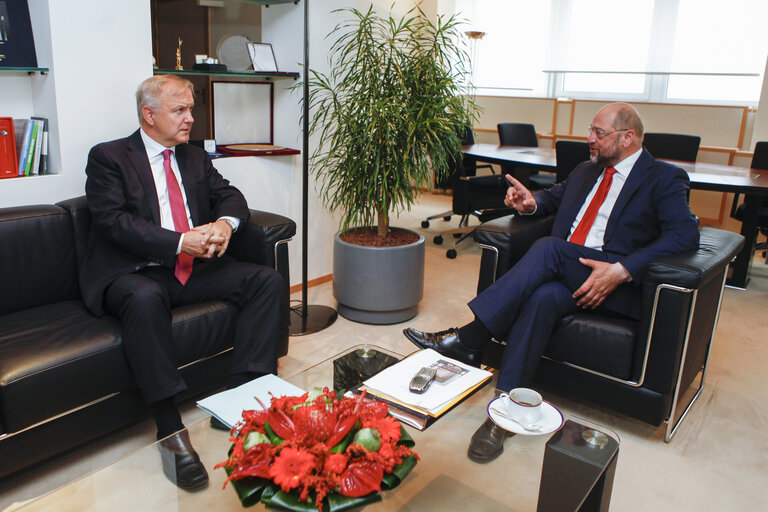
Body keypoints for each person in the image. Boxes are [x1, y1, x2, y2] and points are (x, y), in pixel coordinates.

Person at [404, 102, 700, 463]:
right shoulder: (586, 170)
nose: (589, 139)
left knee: (548, 250)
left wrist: (623, 269)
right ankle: (504, 414)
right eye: (590, 131)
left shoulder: (663, 178)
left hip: (613, 279)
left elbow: (685, 235)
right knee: (542, 297)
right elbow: (552, 198)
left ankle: (469, 339)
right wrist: (529, 202)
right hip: (568, 274)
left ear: (628, 138)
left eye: (599, 133)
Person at [81, 75, 287, 489]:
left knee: (267, 281)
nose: (191, 118)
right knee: (142, 299)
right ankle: (170, 429)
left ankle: (241, 400)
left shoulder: (192, 156)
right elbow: (114, 222)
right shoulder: (109, 157)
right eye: (180, 110)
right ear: (149, 114)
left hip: (192, 270)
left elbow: (230, 195)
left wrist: (226, 226)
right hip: (136, 271)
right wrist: (179, 241)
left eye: (191, 109)